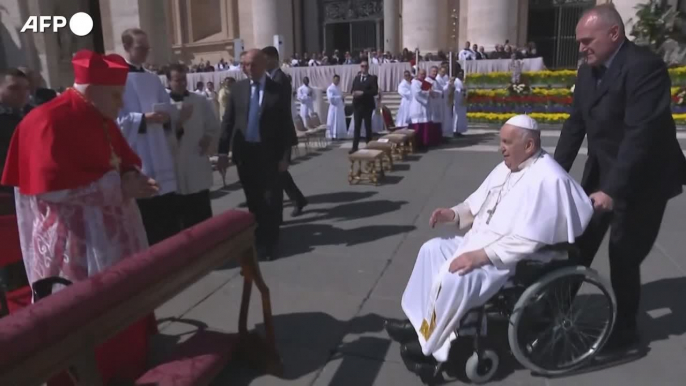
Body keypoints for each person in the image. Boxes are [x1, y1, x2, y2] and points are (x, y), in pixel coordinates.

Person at [385, 115, 594, 372]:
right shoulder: (507, 167)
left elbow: (527, 241)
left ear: (528, 145)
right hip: (477, 241)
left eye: (506, 142)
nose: (501, 148)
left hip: (503, 261)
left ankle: (432, 345)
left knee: (453, 277)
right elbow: (478, 203)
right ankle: (420, 323)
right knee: (431, 250)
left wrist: (480, 256)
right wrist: (453, 214)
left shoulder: (548, 179)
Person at [1, 50, 157, 385]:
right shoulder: (46, 120)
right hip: (75, 244)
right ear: (94, 90)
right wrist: (120, 187)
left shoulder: (99, 116)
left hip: (114, 235)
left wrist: (135, 180)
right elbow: (49, 190)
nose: (120, 104)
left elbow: (119, 163)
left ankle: (130, 366)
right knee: (87, 318)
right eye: (115, 95)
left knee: (124, 305)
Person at [554, 4, 686, 354]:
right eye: (578, 41)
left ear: (614, 34)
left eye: (587, 40)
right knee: (577, 242)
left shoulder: (645, 68)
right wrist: (549, 175)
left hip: (644, 179)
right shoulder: (587, 72)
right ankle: (554, 310)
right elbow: (575, 125)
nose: (581, 48)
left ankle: (626, 330)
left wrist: (612, 190)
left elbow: (639, 135)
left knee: (623, 255)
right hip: (602, 171)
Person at [216, 49, 295, 261]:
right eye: (244, 65)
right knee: (253, 200)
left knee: (270, 199)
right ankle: (259, 237)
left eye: (252, 64)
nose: (248, 69)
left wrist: (285, 156)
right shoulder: (238, 89)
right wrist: (222, 151)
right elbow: (228, 121)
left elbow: (286, 124)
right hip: (245, 154)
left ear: (263, 64)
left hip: (269, 154)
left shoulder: (277, 89)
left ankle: (270, 243)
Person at [117, 28, 191, 246]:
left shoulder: (153, 79)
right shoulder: (116, 80)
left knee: (166, 214)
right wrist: (143, 119)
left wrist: (168, 115)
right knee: (146, 218)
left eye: (147, 48)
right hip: (137, 152)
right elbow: (113, 120)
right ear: (127, 48)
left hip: (159, 150)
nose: (146, 53)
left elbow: (169, 108)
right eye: (141, 48)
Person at [166, 64, 219, 229]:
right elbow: (162, 135)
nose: (182, 83)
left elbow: (213, 125)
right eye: (177, 80)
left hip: (196, 161)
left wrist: (208, 138)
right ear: (168, 81)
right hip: (175, 164)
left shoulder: (200, 100)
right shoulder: (163, 103)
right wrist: (179, 124)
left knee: (202, 215)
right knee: (181, 219)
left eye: (184, 79)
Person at [262, 46, 308, 218]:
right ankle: (298, 200)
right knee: (280, 173)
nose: (263, 63)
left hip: (281, 134)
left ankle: (295, 202)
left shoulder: (280, 79)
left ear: (273, 58)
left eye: (265, 59)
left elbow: (278, 109)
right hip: (276, 135)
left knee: (280, 173)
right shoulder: (272, 78)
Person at [349, 59, 379, 153]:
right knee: (357, 127)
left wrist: (363, 93)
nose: (364, 68)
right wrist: (354, 93)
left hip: (367, 106)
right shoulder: (357, 78)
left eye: (365, 66)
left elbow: (374, 91)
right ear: (360, 67)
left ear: (368, 68)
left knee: (368, 127)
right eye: (362, 66)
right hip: (357, 106)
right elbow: (353, 89)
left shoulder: (372, 78)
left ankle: (369, 145)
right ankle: (354, 147)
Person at [326, 74, 347, 140]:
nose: (337, 81)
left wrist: (342, 99)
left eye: (338, 80)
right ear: (333, 79)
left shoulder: (338, 87)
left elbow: (341, 96)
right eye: (335, 80)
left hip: (339, 107)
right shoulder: (330, 88)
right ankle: (333, 135)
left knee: (339, 121)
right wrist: (340, 97)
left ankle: (340, 135)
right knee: (333, 121)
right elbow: (331, 98)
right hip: (334, 107)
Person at [451, 71, 468, 137]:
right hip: (457, 101)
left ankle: (459, 130)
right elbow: (455, 89)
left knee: (461, 116)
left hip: (462, 100)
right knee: (456, 116)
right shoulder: (456, 81)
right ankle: (455, 130)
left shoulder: (461, 82)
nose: (461, 75)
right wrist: (462, 90)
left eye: (462, 74)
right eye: (460, 74)